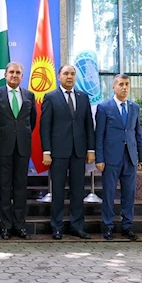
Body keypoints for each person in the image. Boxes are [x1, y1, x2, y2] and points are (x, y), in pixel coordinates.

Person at [40, 65, 94, 240]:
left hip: (79, 151)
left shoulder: (83, 97)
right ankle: (57, 227)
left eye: (72, 74)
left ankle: (77, 226)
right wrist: (46, 151)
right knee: (58, 191)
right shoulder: (51, 97)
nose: (69, 77)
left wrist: (91, 150)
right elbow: (45, 127)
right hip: (57, 152)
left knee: (78, 190)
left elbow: (88, 126)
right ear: (59, 76)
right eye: (66, 73)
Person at [95, 73, 142, 241]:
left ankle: (127, 226)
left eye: (127, 84)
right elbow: (99, 135)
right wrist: (99, 158)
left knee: (129, 193)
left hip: (130, 158)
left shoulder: (134, 107)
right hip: (111, 158)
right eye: (121, 84)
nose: (124, 87)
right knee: (109, 193)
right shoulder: (104, 107)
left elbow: (138, 133)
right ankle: (108, 226)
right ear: (114, 87)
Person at [0, 62, 36, 240]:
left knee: (20, 188)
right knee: (5, 187)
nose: (15, 75)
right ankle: (6, 226)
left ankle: (19, 225)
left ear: (22, 76)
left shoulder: (29, 95)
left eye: (18, 72)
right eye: (11, 72)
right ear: (5, 75)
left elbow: (32, 121)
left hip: (23, 147)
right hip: (3, 147)